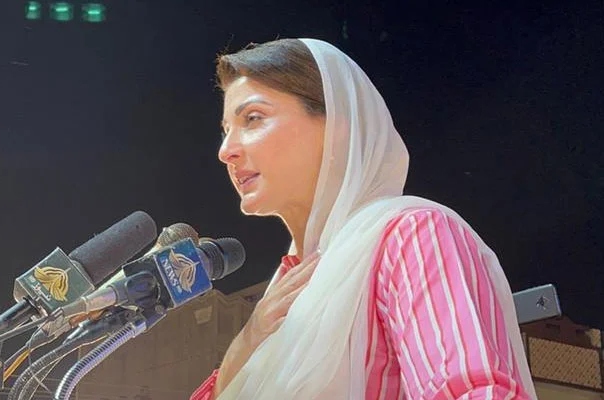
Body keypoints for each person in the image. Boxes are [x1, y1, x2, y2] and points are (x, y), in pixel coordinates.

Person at [190, 38, 537, 399]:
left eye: (253, 118)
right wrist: (244, 344)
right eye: (226, 129)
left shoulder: (409, 237)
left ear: (339, 124)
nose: (225, 150)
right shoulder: (285, 292)